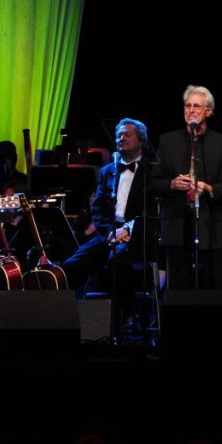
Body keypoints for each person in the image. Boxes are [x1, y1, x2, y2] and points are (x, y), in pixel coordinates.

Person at [60, 119, 154, 331]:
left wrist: (128, 230)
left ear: (141, 140)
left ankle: (125, 317)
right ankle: (66, 322)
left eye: (127, 134)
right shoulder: (107, 171)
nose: (121, 138)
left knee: (118, 261)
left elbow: (153, 210)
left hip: (137, 234)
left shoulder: (153, 170)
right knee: (71, 265)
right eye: (119, 135)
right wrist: (111, 232)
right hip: (109, 233)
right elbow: (99, 209)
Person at [150, 85, 222, 290]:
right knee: (178, 287)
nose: (191, 110)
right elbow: (153, 183)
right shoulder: (168, 140)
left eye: (197, 106)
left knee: (212, 286)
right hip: (176, 225)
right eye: (187, 105)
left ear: (209, 111)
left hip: (212, 227)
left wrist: (209, 188)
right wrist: (172, 184)